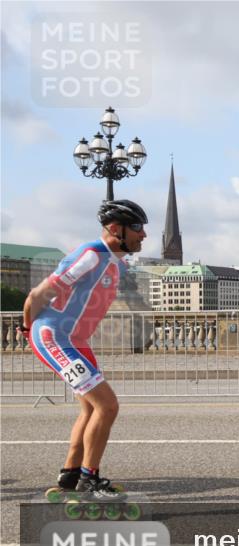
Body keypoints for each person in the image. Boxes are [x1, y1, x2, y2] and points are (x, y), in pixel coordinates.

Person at [20, 199, 149, 499]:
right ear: (115, 229)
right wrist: (29, 329)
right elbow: (36, 295)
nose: (143, 235)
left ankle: (71, 473)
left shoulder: (113, 263)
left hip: (75, 341)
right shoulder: (92, 255)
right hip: (57, 338)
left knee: (92, 407)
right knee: (108, 406)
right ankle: (89, 480)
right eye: (138, 228)